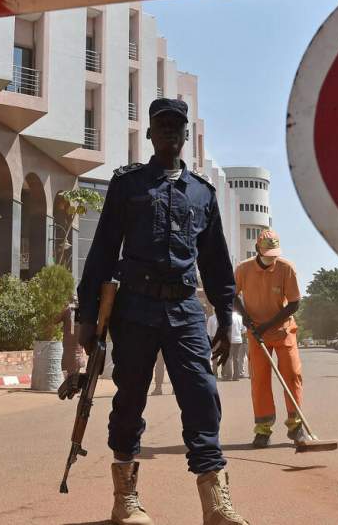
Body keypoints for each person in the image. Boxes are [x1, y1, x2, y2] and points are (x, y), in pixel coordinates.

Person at [77, 98, 248, 525]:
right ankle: (126, 501)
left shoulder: (202, 193)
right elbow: (101, 252)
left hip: (186, 308)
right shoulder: (127, 185)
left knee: (203, 396)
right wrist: (86, 316)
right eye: (162, 126)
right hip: (134, 306)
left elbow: (216, 264)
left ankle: (215, 505)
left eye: (177, 126)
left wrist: (225, 318)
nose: (170, 132)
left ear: (185, 136)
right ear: (150, 134)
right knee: (129, 398)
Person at [234, 230, 307, 448]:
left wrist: (267, 325)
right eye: (267, 254)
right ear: (258, 250)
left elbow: (294, 303)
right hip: (256, 336)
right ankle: (263, 430)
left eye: (274, 254)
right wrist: (246, 319)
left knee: (292, 375)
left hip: (283, 331)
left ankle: (296, 426)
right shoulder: (243, 269)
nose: (271, 258)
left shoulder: (286, 268)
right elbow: (231, 295)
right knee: (259, 381)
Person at [208, 308, 244, 381]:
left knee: (228, 358)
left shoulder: (224, 317)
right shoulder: (239, 318)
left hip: (226, 340)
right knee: (235, 358)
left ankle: (227, 375)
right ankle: (235, 376)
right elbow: (243, 330)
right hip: (237, 340)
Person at [60, 296, 86, 376]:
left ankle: (70, 384)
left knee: (67, 374)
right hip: (77, 350)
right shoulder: (83, 312)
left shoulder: (66, 311)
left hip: (68, 349)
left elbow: (54, 320)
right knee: (74, 378)